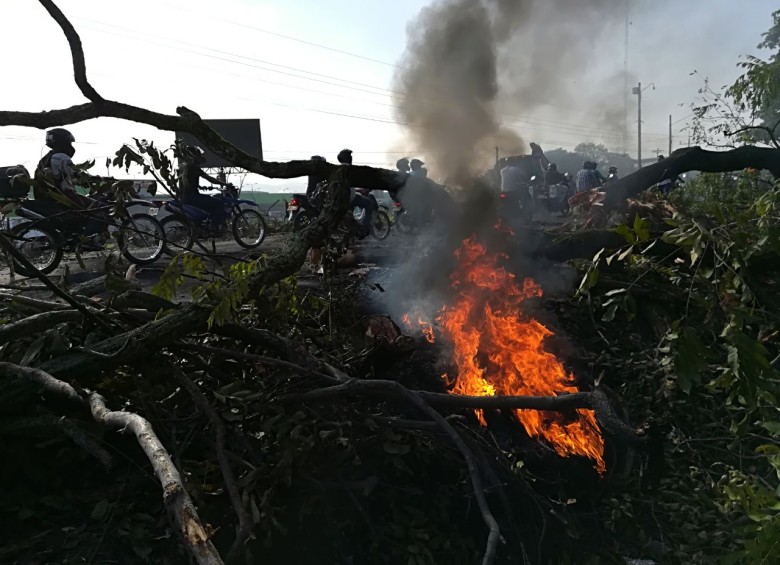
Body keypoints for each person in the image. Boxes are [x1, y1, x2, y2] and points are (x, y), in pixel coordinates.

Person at [34, 128, 105, 244]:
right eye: (69, 143)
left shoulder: (47, 158)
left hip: (50, 196)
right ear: (63, 142)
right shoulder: (61, 157)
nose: (71, 146)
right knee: (100, 208)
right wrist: (97, 179)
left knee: (84, 211)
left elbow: (64, 177)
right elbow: (76, 173)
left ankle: (78, 234)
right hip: (64, 195)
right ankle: (86, 239)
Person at [177, 145, 230, 228]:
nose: (201, 157)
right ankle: (213, 227)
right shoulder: (193, 168)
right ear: (193, 156)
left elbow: (188, 183)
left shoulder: (184, 167)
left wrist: (201, 187)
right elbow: (210, 179)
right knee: (219, 203)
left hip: (185, 197)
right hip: (193, 198)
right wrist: (226, 184)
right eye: (198, 154)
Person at [337, 148, 376, 238]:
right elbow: (360, 181)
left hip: (341, 198)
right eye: (350, 156)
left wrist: (357, 190)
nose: (351, 158)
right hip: (350, 197)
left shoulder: (337, 169)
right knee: (369, 203)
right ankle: (365, 228)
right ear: (348, 158)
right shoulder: (350, 169)